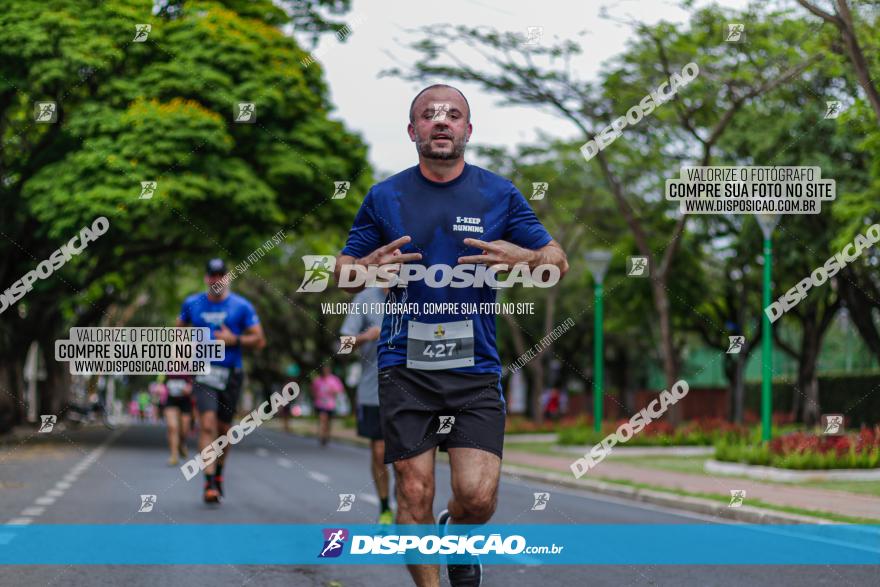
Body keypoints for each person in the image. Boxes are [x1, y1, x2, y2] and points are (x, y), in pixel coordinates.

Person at [334, 84, 568, 586]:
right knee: (413, 492)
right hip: (405, 367)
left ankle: (456, 534)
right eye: (429, 114)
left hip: (475, 369)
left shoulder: (498, 193)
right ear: (413, 130)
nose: (441, 121)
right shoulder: (384, 196)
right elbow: (341, 269)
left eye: (453, 115)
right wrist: (362, 270)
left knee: (478, 499)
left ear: (468, 129)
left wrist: (526, 258)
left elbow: (557, 260)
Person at [177, 258, 266, 503]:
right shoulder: (191, 303)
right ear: (206, 278)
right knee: (207, 425)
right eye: (212, 275)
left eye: (220, 275)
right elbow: (179, 332)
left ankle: (218, 474)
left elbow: (260, 341)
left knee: (224, 431)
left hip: (232, 374)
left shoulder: (242, 307)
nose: (216, 279)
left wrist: (234, 340)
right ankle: (208, 484)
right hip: (204, 372)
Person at [340, 288, 393, 524]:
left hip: (414, 390)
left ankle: (411, 505)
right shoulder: (365, 299)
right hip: (374, 391)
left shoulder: (416, 293)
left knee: (409, 457)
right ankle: (384, 508)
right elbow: (344, 343)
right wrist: (367, 336)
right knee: (380, 452)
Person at [162, 374, 193, 466]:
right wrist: (160, 387)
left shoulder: (192, 364)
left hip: (185, 400)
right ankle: (174, 455)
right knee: (172, 427)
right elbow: (161, 381)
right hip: (170, 399)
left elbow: (198, 380)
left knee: (184, 430)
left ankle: (182, 444)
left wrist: (191, 387)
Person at [310, 364, 344, 447]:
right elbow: (312, 390)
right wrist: (315, 395)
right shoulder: (317, 380)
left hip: (330, 405)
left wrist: (333, 391)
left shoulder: (334, 379)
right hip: (320, 404)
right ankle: (322, 436)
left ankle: (326, 435)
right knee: (323, 419)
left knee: (328, 422)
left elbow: (340, 390)